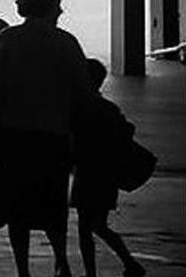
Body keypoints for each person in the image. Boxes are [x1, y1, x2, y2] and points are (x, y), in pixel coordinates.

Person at [0, 0, 94, 277]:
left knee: (17, 206)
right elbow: (84, 93)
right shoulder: (65, 42)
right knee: (53, 203)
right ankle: (61, 262)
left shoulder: (7, 39)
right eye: (58, 5)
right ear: (50, 8)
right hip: (54, 136)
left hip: (12, 136)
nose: (61, 10)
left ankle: (23, 270)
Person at [72, 59, 145, 277]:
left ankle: (92, 273)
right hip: (105, 174)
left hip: (86, 173)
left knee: (86, 227)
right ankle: (129, 263)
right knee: (98, 225)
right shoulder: (108, 109)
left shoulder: (79, 108)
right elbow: (126, 130)